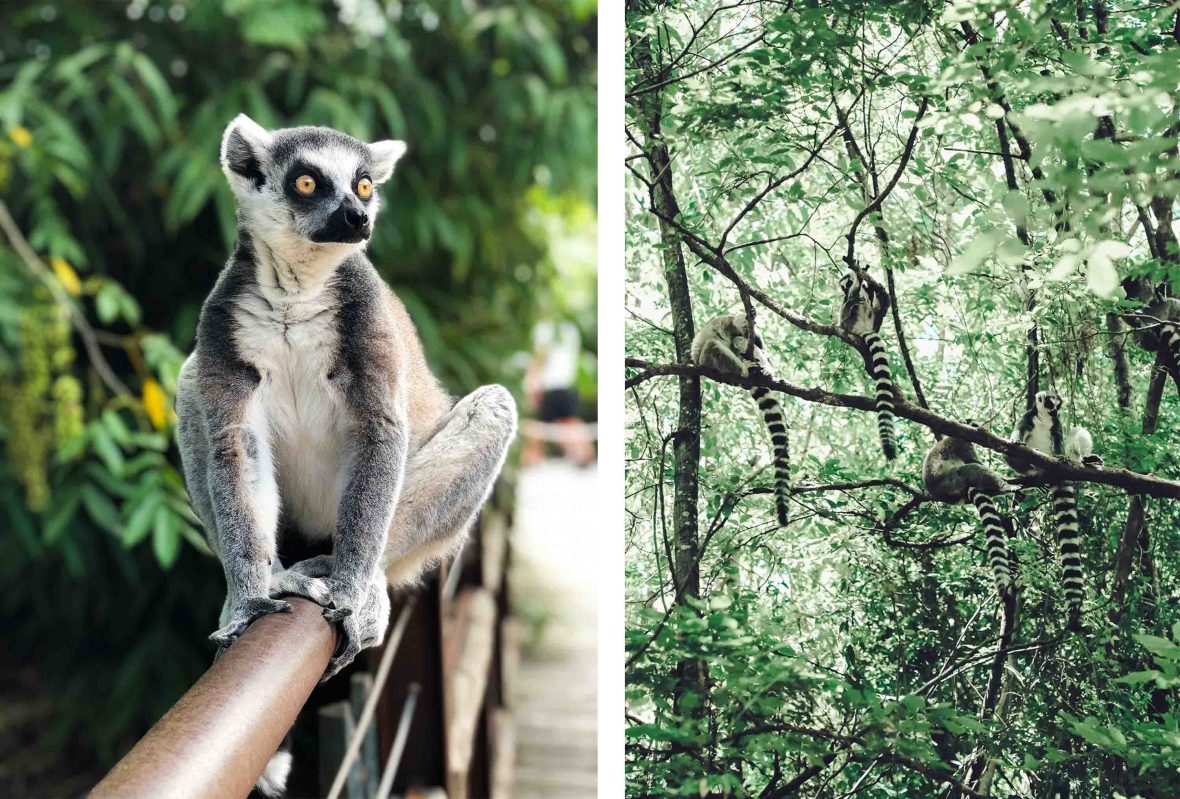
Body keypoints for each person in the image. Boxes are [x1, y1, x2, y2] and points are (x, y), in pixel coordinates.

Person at [522, 319, 595, 465]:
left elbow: (540, 358)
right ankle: (587, 455)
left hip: (551, 388)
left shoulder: (545, 331)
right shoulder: (570, 330)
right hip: (566, 387)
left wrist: (532, 387)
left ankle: (530, 461)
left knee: (539, 429)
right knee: (568, 422)